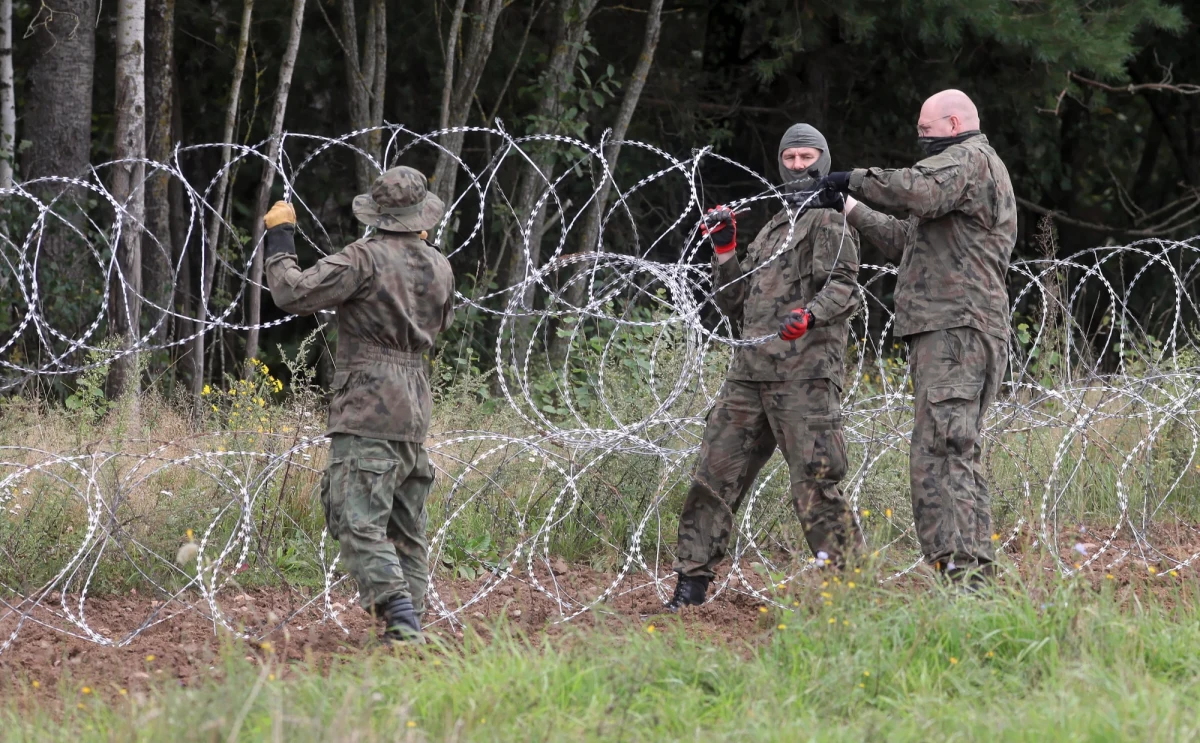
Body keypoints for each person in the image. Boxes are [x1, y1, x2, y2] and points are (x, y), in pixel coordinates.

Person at [814, 89, 1016, 586]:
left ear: (952, 123)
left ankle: (966, 580)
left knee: (945, 452)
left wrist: (854, 177)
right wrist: (851, 208)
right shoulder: (965, 176)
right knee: (944, 451)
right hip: (951, 329)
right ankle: (962, 574)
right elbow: (911, 241)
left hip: (957, 329)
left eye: (925, 130)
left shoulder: (967, 160)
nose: (919, 139)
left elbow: (919, 191)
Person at [668, 123, 864, 611]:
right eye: (790, 158)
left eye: (807, 157)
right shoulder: (774, 227)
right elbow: (736, 304)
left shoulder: (829, 222)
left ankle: (850, 594)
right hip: (749, 376)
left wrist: (810, 315)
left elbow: (844, 287)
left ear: (823, 159)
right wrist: (727, 250)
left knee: (816, 487)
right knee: (713, 477)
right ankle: (690, 588)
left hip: (805, 380)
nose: (799, 166)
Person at [262, 166, 455, 641]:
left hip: (369, 403)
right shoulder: (441, 265)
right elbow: (442, 325)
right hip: (415, 403)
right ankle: (408, 628)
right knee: (407, 528)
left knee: (356, 519)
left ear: (379, 215)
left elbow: (292, 292)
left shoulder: (362, 259)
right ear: (420, 218)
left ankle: (402, 621)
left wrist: (280, 238)